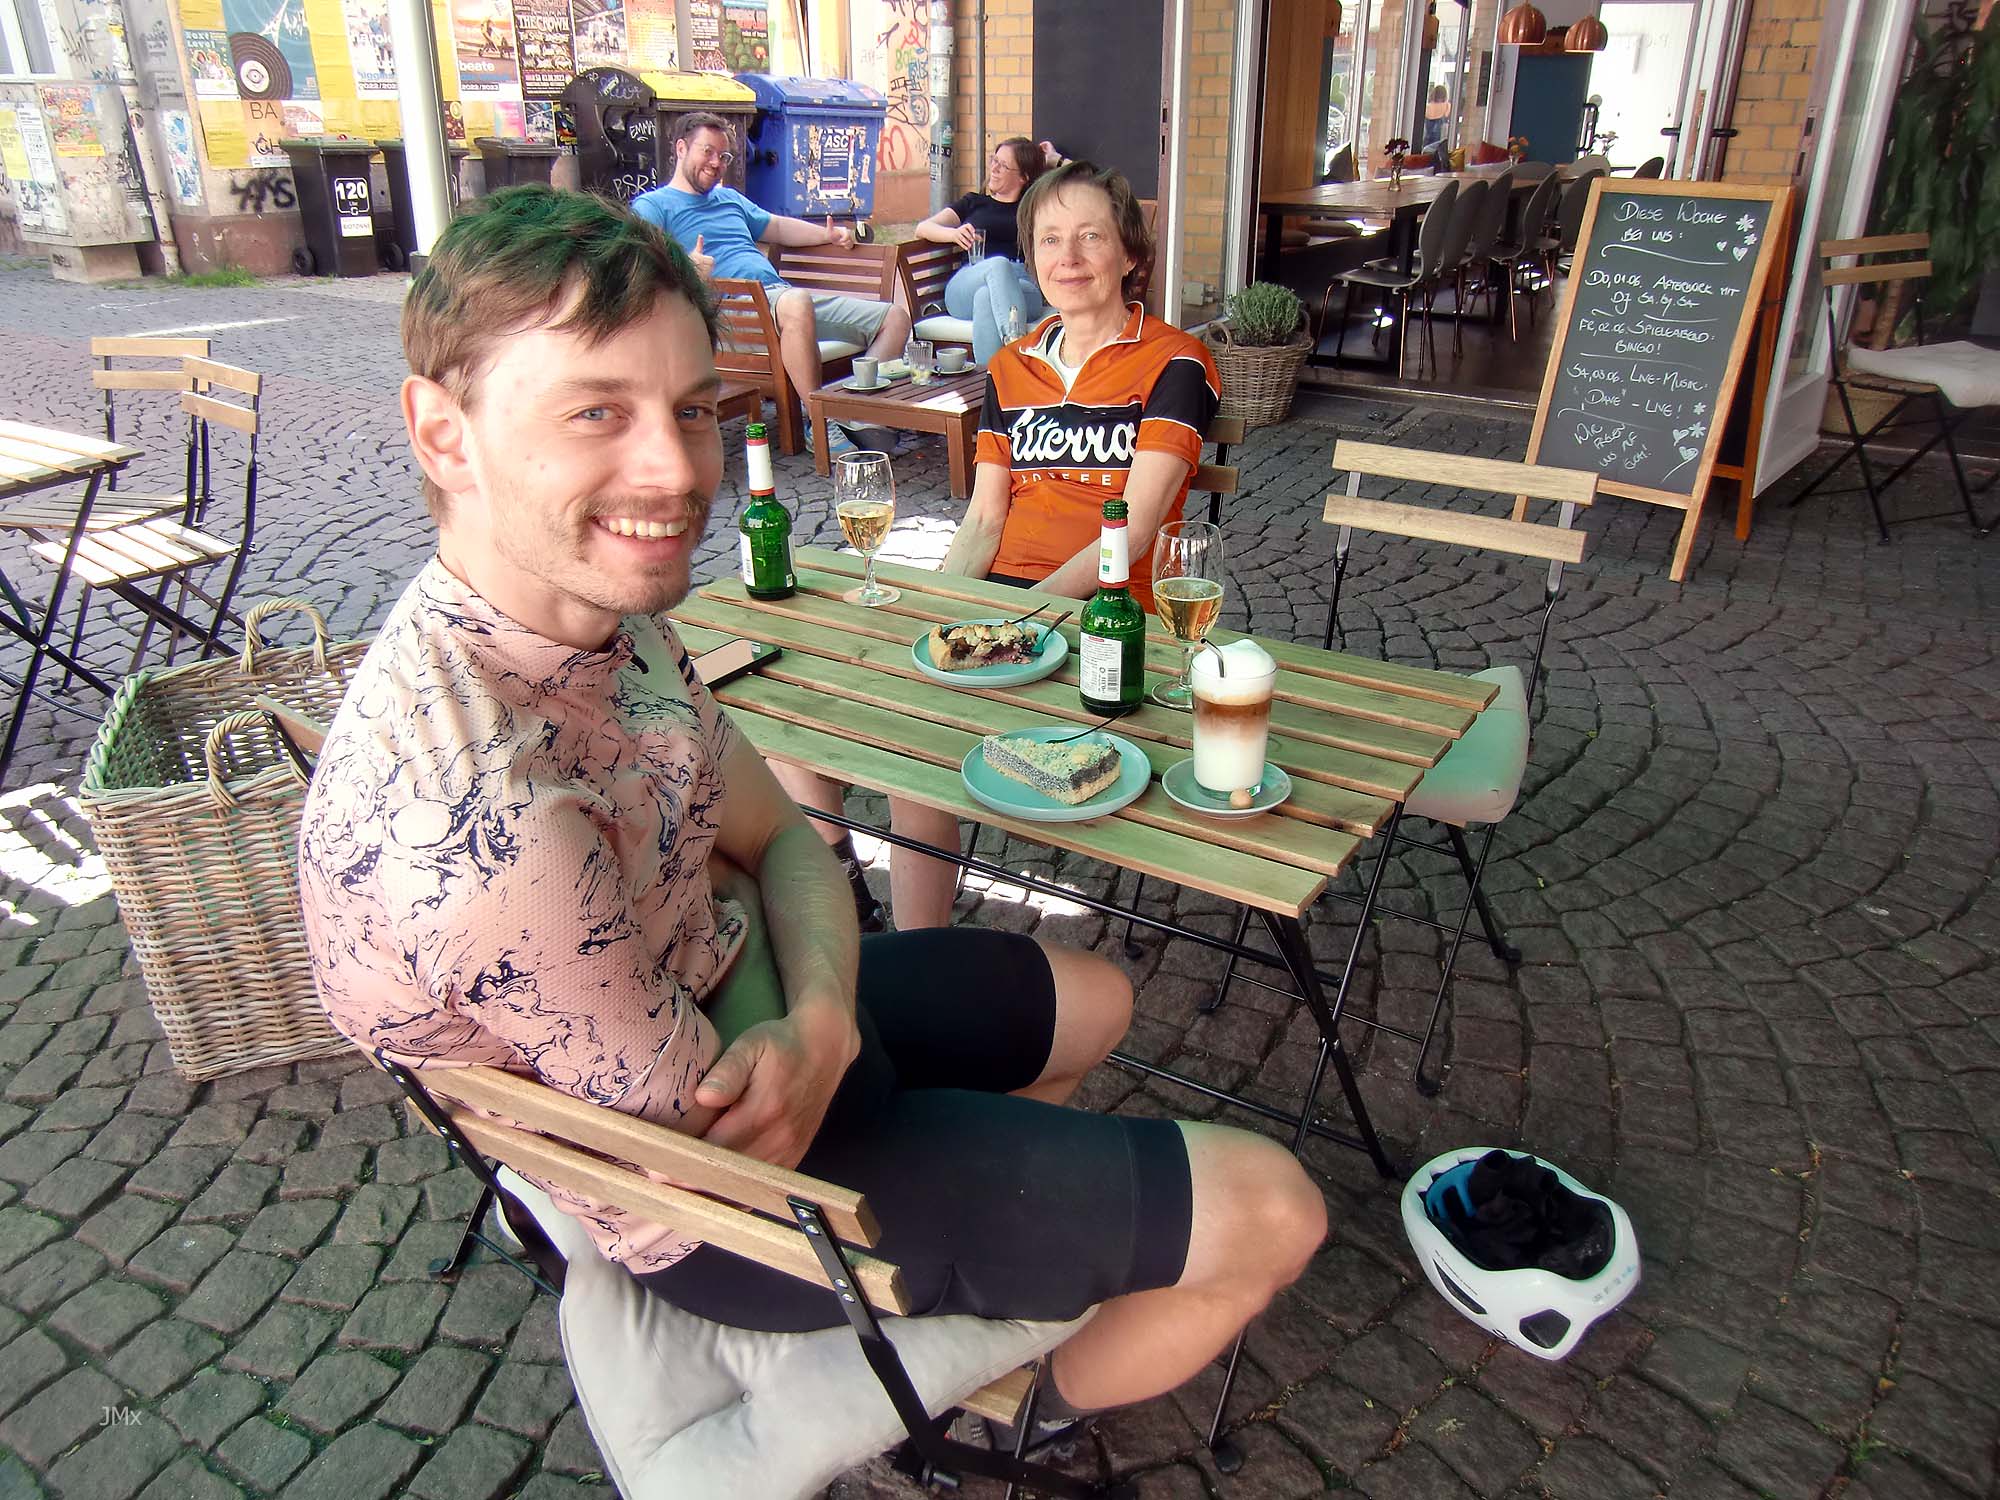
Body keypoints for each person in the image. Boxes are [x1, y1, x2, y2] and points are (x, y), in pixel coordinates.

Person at [295, 184, 1324, 1445]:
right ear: (443, 435)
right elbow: (728, 1134)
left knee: (1098, 996)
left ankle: (990, 1241)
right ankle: (1012, 1408)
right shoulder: (483, 824)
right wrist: (765, 933)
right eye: (595, 412)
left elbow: (779, 834)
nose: (675, 471)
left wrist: (819, 1016)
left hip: (776, 1008)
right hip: (722, 1211)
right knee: (1275, 1208)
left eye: (689, 408)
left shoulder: (596, 613)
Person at [778, 160, 1218, 932]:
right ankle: (853, 903)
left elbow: (1137, 530)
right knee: (799, 708)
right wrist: (932, 607)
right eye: (1049, 239)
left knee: (915, 754)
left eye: (1091, 237)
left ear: (1129, 253)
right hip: (1002, 608)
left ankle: (919, 954)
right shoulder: (1010, 368)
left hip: (1107, 621)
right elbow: (984, 521)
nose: (1068, 257)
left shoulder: (1176, 361)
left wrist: (1019, 620)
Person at [631, 112, 911, 458]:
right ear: (681, 149)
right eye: (707, 152)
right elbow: (642, 267)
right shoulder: (653, 206)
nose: (716, 163)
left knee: (895, 318)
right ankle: (819, 421)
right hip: (733, 314)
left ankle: (851, 414)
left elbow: (776, 227)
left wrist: (827, 235)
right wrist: (685, 268)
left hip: (778, 300)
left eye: (724, 156)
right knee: (796, 301)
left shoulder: (729, 199)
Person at [911, 137, 1049, 366]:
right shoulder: (973, 203)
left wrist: (1055, 160)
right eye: (995, 160)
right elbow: (923, 228)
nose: (994, 168)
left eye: (1003, 165)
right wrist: (954, 234)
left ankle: (990, 378)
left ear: (1023, 177)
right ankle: (1015, 344)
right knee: (998, 264)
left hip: (1022, 286)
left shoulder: (1035, 210)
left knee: (986, 296)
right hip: (968, 282)